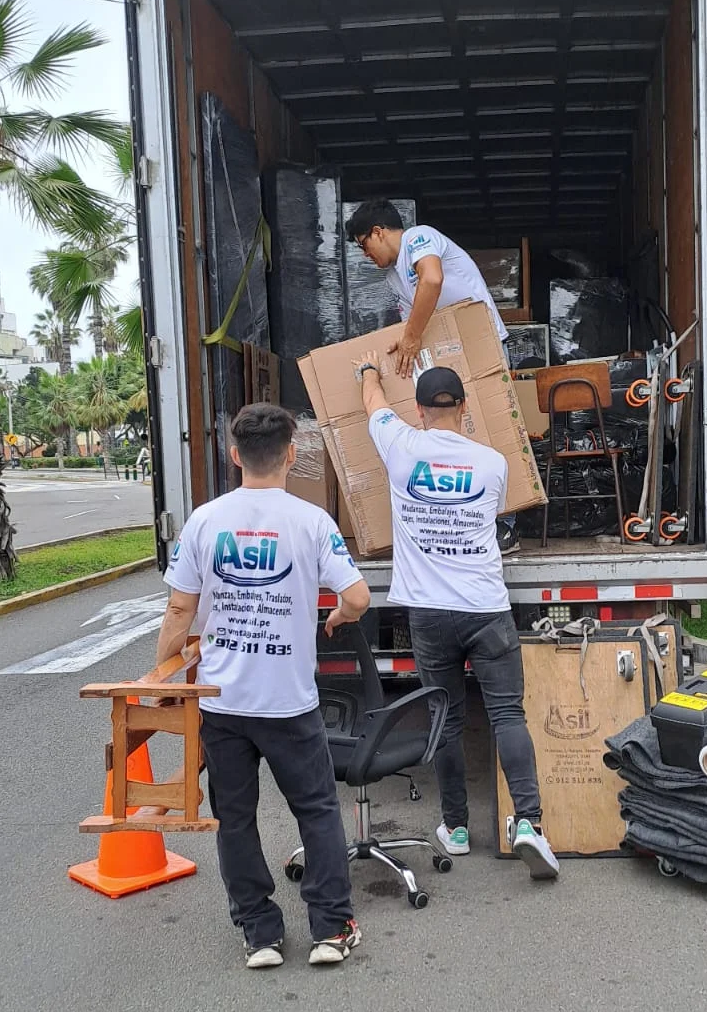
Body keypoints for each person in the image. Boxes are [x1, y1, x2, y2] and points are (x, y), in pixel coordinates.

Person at [155, 402, 371, 969]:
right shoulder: (312, 521)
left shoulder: (204, 521)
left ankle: (260, 933)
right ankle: (331, 928)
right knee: (318, 810)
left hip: (223, 703)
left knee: (236, 817)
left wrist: (160, 680)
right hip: (289, 702)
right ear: (291, 455)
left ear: (234, 456)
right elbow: (358, 597)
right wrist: (336, 617)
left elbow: (180, 610)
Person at [356, 351, 558, 879]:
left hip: (429, 614)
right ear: (464, 408)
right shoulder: (493, 463)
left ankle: (457, 827)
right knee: (507, 716)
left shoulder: (400, 447)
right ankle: (530, 825)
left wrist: (368, 370)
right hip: (486, 609)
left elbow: (372, 403)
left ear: (420, 411)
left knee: (446, 721)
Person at [344, 198, 518, 553]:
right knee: (456, 437)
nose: (366, 256)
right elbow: (413, 322)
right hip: (451, 355)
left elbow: (433, 279)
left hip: (481, 345)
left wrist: (410, 337)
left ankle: (507, 526)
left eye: (364, 246)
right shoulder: (394, 278)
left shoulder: (419, 239)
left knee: (490, 433)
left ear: (378, 232)